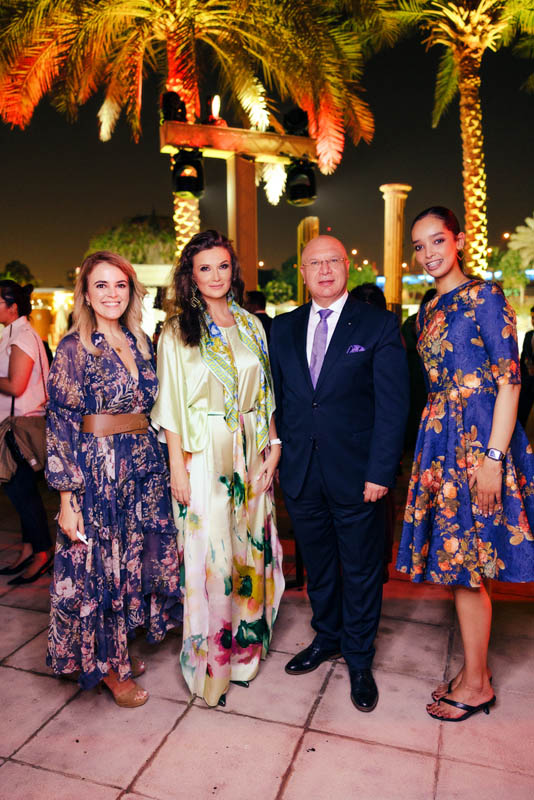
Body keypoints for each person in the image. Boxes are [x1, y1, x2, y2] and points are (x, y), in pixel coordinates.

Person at [397, 206, 534, 722]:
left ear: (458, 240)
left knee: (469, 568)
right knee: (463, 565)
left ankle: (477, 685)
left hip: (479, 444)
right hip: (441, 444)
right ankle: (475, 671)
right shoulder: (427, 309)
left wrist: (494, 458)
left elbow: (510, 381)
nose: (428, 253)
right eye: (419, 245)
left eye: (437, 240)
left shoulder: (485, 296)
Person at [269, 235, 409, 713]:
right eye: (315, 263)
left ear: (347, 266)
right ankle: (327, 637)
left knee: (362, 570)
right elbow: (280, 400)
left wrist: (381, 471)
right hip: (302, 474)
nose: (325, 270)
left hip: (358, 475)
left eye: (333, 261)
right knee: (320, 567)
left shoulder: (377, 324)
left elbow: (393, 407)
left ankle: (360, 658)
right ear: (303, 273)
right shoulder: (283, 327)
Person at [151, 229, 285, 708]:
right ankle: (211, 668)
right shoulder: (177, 331)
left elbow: (265, 393)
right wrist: (177, 469)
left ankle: (244, 656)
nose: (215, 275)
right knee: (212, 558)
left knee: (249, 552)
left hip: (251, 448)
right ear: (190, 275)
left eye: (222, 266)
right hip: (204, 452)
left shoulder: (251, 325)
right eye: (204, 268)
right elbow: (169, 406)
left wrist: (273, 445)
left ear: (234, 270)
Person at [46, 251, 181, 707]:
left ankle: (116, 649)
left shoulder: (139, 340)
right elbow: (60, 422)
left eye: (120, 285)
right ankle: (107, 667)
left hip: (141, 470)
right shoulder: (73, 347)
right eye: (101, 285)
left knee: (128, 566)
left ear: (132, 292)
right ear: (86, 294)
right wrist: (68, 499)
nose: (111, 294)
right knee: (100, 568)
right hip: (97, 474)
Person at [0, 280, 53, 583]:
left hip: (19, 427)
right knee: (21, 490)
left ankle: (43, 553)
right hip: (17, 423)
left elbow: (15, 385)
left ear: (12, 306)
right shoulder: (15, 333)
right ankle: (29, 549)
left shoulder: (22, 336)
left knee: (22, 492)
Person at [401, 287, 437, 451]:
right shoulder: (436, 320)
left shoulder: (411, 321)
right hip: (426, 373)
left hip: (411, 371)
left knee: (415, 408)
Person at [517, 305, 534, 428]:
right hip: (527, 382)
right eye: (532, 317)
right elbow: (524, 356)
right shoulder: (528, 335)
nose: (533, 320)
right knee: (521, 415)